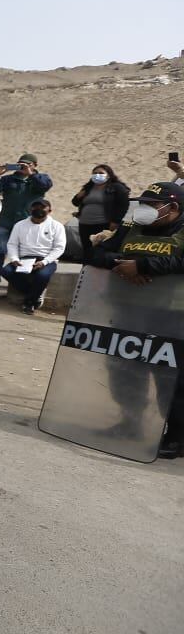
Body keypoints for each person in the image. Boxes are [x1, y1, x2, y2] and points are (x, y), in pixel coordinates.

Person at [87, 182, 184, 459]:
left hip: (173, 315)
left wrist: (142, 265)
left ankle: (177, 437)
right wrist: (123, 265)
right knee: (124, 368)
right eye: (141, 204)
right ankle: (130, 423)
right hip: (130, 310)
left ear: (173, 207)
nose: (143, 210)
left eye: (150, 205)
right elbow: (96, 254)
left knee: (170, 376)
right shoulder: (132, 228)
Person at [0, 152, 52, 287]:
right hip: (7, 220)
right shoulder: (8, 180)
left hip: (28, 222)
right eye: (21, 164)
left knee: (25, 251)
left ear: (35, 166)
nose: (24, 167)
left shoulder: (40, 178)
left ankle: (19, 279)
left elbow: (45, 186)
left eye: (28, 164)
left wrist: (31, 174)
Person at [1, 198, 66, 314]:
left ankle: (29, 303)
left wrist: (44, 262)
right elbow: (12, 244)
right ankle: (35, 294)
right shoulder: (20, 225)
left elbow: (59, 248)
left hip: (46, 259)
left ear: (50, 210)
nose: (39, 210)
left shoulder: (57, 226)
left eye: (43, 207)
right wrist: (15, 259)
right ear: (30, 209)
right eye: (36, 207)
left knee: (42, 276)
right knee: (6, 271)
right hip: (24, 259)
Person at [71, 163, 129, 262]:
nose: (97, 175)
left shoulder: (116, 188)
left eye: (101, 173)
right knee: (87, 247)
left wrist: (115, 221)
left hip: (103, 224)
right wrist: (78, 196)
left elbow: (123, 205)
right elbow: (75, 202)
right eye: (95, 173)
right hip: (84, 223)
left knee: (100, 248)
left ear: (109, 175)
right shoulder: (88, 188)